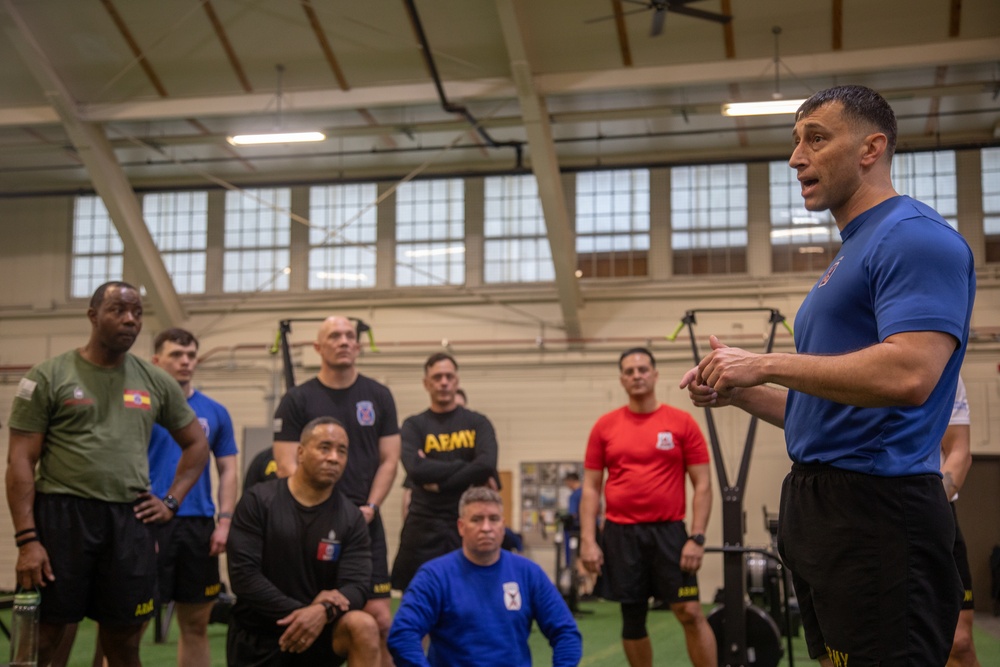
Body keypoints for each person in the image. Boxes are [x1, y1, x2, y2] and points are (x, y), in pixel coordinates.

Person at [680, 85, 975, 666]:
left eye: (816, 139)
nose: (796, 158)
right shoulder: (851, 251)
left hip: (880, 511)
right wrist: (742, 392)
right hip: (822, 504)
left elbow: (911, 372)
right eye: (795, 142)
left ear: (872, 147)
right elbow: (825, 410)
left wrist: (764, 362)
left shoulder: (914, 236)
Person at [5, 281, 210, 667]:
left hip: (128, 521)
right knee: (45, 640)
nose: (130, 320)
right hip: (62, 517)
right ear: (93, 315)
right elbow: (19, 461)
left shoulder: (155, 381)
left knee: (123, 643)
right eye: (118, 310)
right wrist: (27, 539)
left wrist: (171, 501)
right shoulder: (48, 376)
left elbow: (198, 445)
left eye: (137, 313)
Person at [272, 315, 400, 663]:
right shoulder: (297, 400)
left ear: (358, 346)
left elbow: (390, 459)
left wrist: (370, 507)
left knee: (380, 619)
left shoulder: (378, 395)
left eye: (349, 336)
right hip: (311, 525)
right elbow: (286, 464)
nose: (343, 341)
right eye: (334, 336)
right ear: (318, 347)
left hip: (365, 521)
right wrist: (323, 511)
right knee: (306, 612)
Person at [579, 347, 716, 667]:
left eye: (642, 369)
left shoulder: (682, 423)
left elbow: (703, 486)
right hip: (621, 535)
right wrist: (588, 540)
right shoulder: (604, 427)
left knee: (690, 611)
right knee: (633, 617)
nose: (637, 375)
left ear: (655, 375)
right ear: (622, 380)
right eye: (629, 371)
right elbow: (590, 488)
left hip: (669, 533)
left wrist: (696, 537)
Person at [227, 417, 381, 666]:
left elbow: (357, 586)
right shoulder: (258, 501)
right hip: (260, 633)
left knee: (363, 625)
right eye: (324, 447)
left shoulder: (351, 518)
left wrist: (321, 613)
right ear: (300, 452)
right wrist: (305, 613)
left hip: (320, 629)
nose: (333, 457)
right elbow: (244, 578)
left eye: (341, 451)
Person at [387, 486, 582, 667]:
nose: (486, 528)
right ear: (461, 526)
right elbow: (403, 634)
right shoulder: (434, 576)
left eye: (494, 519)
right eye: (477, 519)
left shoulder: (528, 573)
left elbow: (566, 632)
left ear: (503, 526)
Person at [146, 327, 239, 667]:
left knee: (196, 624)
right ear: (156, 361)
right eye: (175, 355)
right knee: (127, 623)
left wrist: (225, 522)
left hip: (199, 526)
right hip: (148, 522)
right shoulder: (142, 407)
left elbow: (229, 469)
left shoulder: (214, 411)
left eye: (190, 355)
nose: (185, 362)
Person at [390, 353, 499, 592]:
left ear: (457, 381)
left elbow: (486, 465)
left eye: (449, 376)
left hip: (466, 522)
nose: (443, 382)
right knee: (419, 596)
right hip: (423, 525)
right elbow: (416, 470)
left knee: (470, 593)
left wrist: (438, 482)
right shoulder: (413, 425)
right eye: (437, 377)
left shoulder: (478, 422)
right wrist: (466, 468)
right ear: (426, 383)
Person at [943, 377, 981, 667]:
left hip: (934, 517)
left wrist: (926, 504)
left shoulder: (945, 370)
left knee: (959, 642)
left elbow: (960, 451)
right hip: (866, 517)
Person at [401, 387, 467, 523]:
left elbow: (485, 469)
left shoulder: (470, 446)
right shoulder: (426, 440)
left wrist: (438, 482)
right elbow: (409, 489)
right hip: (428, 522)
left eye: (458, 407)